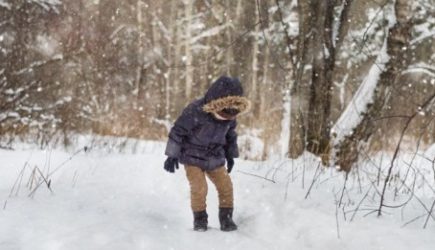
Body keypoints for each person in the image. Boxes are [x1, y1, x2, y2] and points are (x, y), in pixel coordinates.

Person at [163, 76, 251, 232]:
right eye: (226, 111)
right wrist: (172, 154)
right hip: (192, 156)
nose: (229, 116)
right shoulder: (195, 111)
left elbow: (231, 135)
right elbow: (178, 131)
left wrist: (230, 155)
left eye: (233, 112)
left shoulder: (230, 118)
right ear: (215, 104)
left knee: (226, 186)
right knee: (199, 187)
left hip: (214, 157)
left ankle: (226, 219)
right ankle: (200, 220)